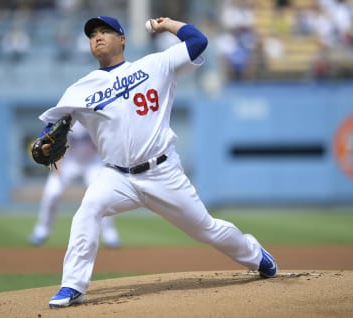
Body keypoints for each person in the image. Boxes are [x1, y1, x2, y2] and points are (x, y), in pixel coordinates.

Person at [35, 15, 277, 308]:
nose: (97, 37)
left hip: (162, 172)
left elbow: (198, 42)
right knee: (88, 209)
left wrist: (168, 24)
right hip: (116, 177)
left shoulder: (154, 65)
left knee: (205, 229)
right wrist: (46, 142)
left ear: (122, 39)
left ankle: (255, 254)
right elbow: (52, 129)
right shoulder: (79, 89)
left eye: (105, 31)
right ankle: (73, 285)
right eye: (92, 34)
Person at [29, 121, 121, 248]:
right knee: (52, 192)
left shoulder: (94, 114)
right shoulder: (65, 117)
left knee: (101, 195)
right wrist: (57, 164)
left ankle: (109, 233)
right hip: (69, 161)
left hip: (92, 161)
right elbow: (51, 141)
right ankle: (42, 230)